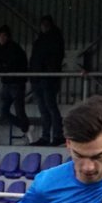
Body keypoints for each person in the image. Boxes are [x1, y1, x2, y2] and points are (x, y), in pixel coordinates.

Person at [0, 25, 35, 144]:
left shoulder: (15, 49)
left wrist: (5, 67)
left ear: (8, 37)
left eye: (4, 36)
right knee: (3, 112)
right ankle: (26, 127)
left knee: (19, 111)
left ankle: (26, 129)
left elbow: (16, 65)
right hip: (6, 84)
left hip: (17, 83)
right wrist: (5, 67)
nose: (1, 38)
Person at [30, 15, 65, 146]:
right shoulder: (40, 40)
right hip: (38, 78)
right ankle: (46, 136)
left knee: (50, 107)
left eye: (46, 24)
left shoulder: (54, 39)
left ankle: (57, 135)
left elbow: (55, 59)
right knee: (44, 109)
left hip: (48, 78)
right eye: (42, 24)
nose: (44, 26)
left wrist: (48, 72)